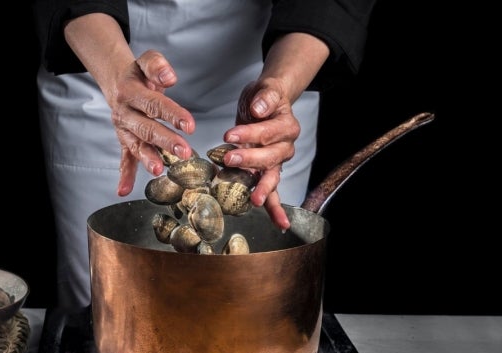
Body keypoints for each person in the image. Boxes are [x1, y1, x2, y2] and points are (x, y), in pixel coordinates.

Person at [32, 0, 377, 311]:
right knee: (108, 298)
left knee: (252, 300)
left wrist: (280, 85)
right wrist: (116, 77)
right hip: (103, 71)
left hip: (270, 77)